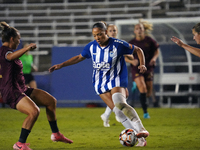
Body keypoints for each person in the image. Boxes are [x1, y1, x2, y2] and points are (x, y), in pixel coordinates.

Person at [49, 21, 149, 147]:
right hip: (100, 83)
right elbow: (79, 57)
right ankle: (140, 139)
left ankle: (141, 129)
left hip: (116, 79)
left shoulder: (118, 44)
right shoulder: (91, 47)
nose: (97, 38)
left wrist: (142, 64)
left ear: (106, 32)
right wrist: (61, 65)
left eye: (100, 35)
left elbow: (138, 50)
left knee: (120, 103)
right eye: (95, 35)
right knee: (117, 112)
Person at [0, 22, 73, 150]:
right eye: (18, 38)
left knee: (50, 101)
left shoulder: (9, 51)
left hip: (21, 88)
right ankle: (20, 144)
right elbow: (10, 57)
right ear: (12, 39)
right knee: (34, 112)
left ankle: (56, 134)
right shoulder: (5, 51)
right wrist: (27, 48)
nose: (19, 41)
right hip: (12, 91)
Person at [100, 24, 131, 127]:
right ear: (106, 32)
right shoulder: (105, 44)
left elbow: (129, 54)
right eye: (110, 30)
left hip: (118, 74)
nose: (112, 32)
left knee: (124, 95)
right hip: (108, 75)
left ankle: (107, 114)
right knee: (120, 95)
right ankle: (117, 114)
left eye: (114, 30)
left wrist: (128, 55)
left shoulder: (119, 43)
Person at [127, 19, 159, 118]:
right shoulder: (131, 43)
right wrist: (132, 61)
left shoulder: (149, 41)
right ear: (134, 31)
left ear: (143, 30)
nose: (139, 30)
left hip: (148, 67)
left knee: (148, 92)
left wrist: (154, 59)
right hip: (136, 68)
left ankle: (135, 85)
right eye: (137, 28)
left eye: (140, 28)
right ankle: (145, 112)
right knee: (143, 88)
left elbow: (156, 51)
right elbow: (124, 56)